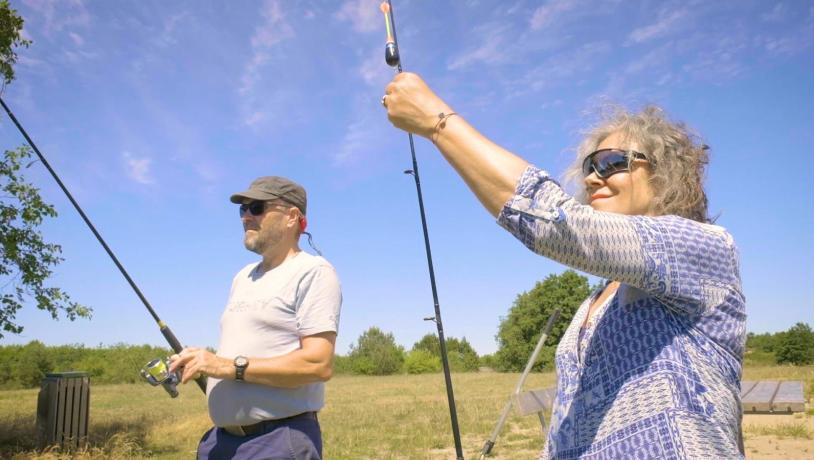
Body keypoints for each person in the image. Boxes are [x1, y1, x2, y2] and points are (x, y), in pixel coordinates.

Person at [382, 73, 745, 459]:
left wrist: (437, 123)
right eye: (590, 165)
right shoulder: (595, 302)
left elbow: (557, 222)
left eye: (611, 162)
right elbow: (566, 429)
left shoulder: (706, 248)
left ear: (664, 172)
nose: (592, 177)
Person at [169, 176, 342, 460]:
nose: (246, 216)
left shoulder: (314, 272)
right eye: (243, 209)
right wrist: (202, 363)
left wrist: (226, 366)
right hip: (220, 441)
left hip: (276, 442)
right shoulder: (243, 277)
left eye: (257, 207)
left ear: (292, 217)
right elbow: (243, 355)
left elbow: (318, 364)